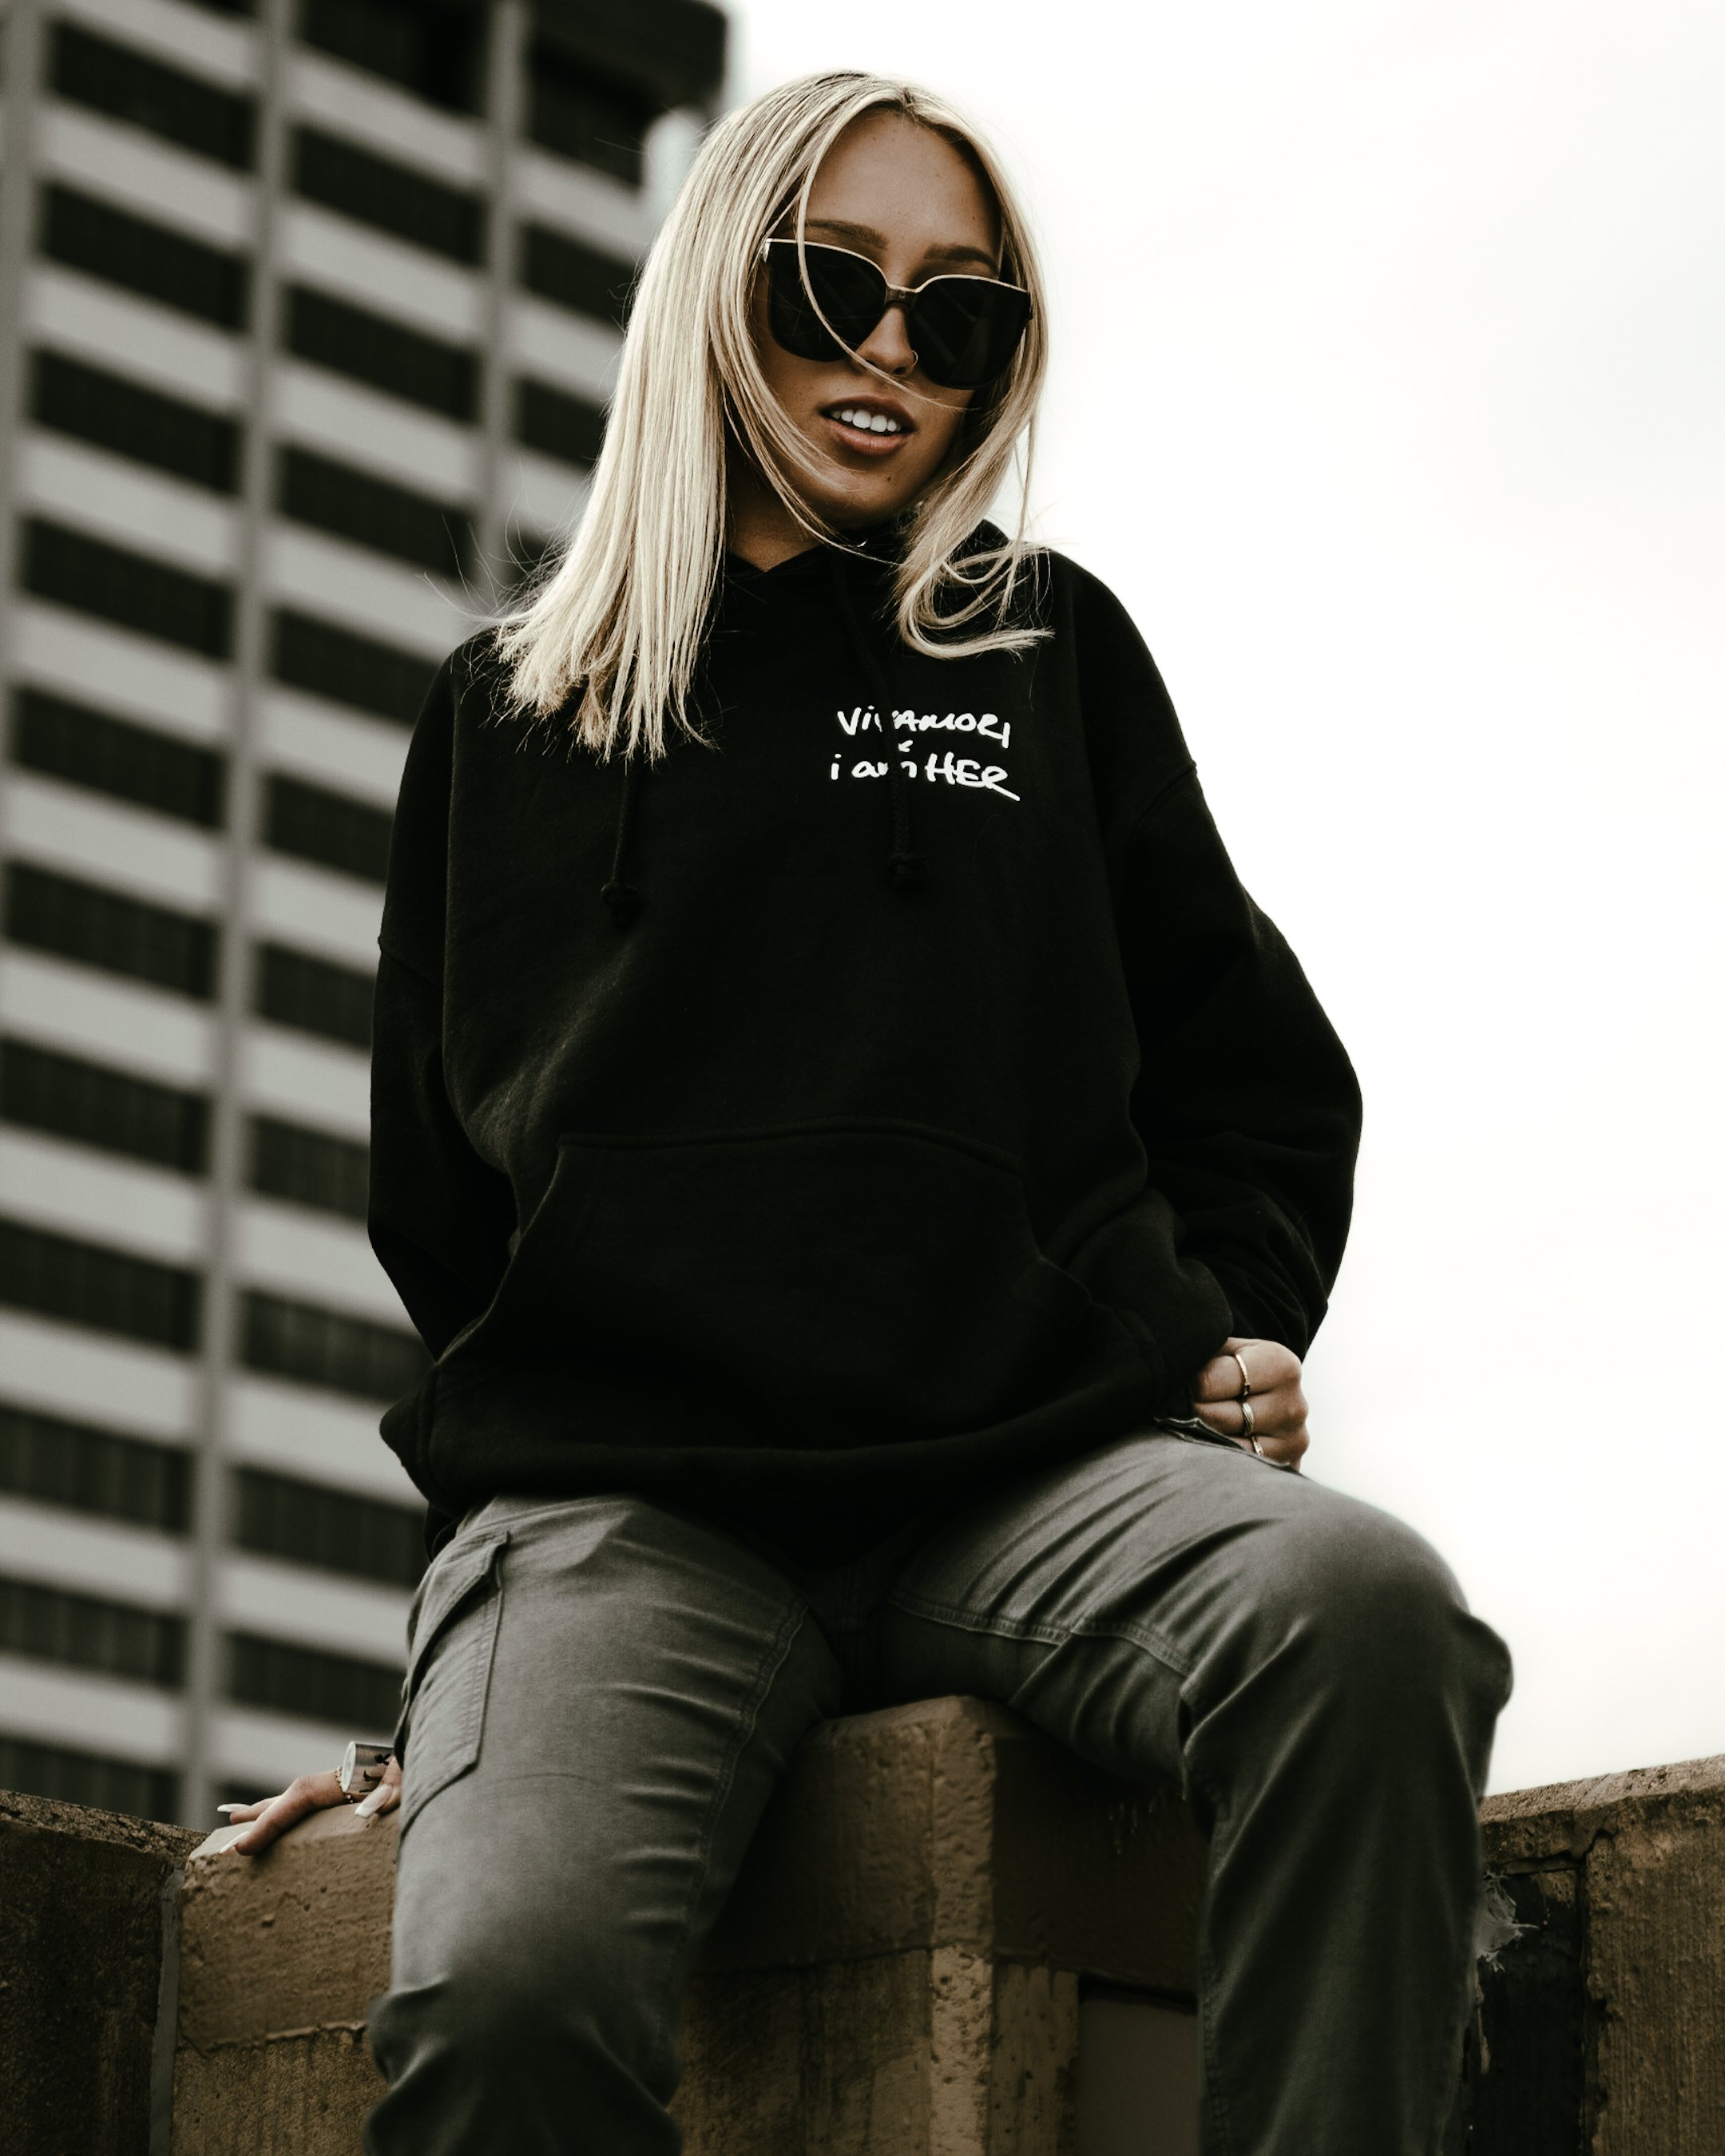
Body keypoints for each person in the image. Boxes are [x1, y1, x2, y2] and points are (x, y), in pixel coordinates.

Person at [224, 70, 1512, 2156]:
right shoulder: (506, 718)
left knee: (1366, 1614)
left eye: (959, 314)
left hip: (1030, 1472)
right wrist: (463, 1697)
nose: (891, 352)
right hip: (636, 1513)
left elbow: (1256, 1066)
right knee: (506, 1988)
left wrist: (1246, 1314)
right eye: (833, 288)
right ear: (717, 291)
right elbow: (443, 1226)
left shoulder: (1040, 650)